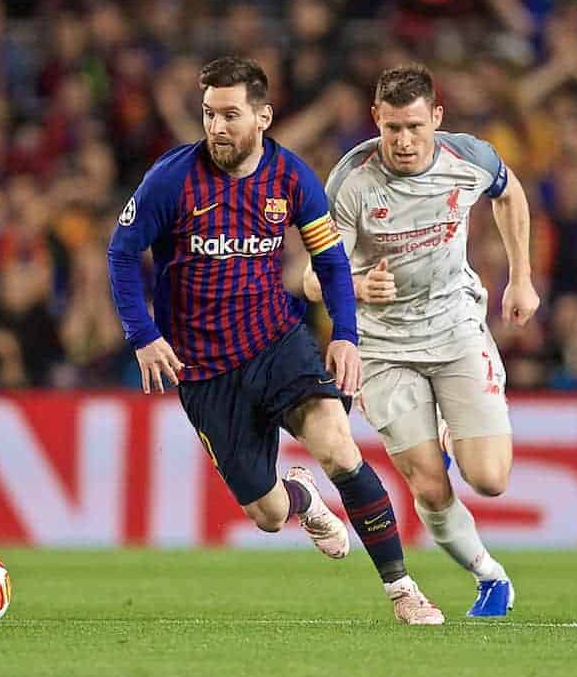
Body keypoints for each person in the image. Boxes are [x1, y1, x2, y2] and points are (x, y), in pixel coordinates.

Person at [108, 57, 443, 625]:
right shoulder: (171, 179)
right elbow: (121, 252)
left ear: (262, 116)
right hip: (206, 371)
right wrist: (142, 335)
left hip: (276, 343)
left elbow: (332, 260)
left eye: (231, 115)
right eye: (210, 114)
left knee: (340, 448)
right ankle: (302, 500)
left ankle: (404, 590)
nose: (217, 127)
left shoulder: (290, 177)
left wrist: (345, 335)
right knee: (266, 514)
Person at [304, 64, 540, 617]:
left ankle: (448, 428)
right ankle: (490, 576)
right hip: (383, 348)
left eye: (414, 126)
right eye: (392, 129)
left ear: (437, 117)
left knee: (490, 479)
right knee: (430, 487)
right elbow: (312, 277)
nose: (404, 141)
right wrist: (356, 284)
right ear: (375, 122)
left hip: (455, 328)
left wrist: (521, 275)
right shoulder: (350, 181)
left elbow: (510, 195)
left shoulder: (470, 158)